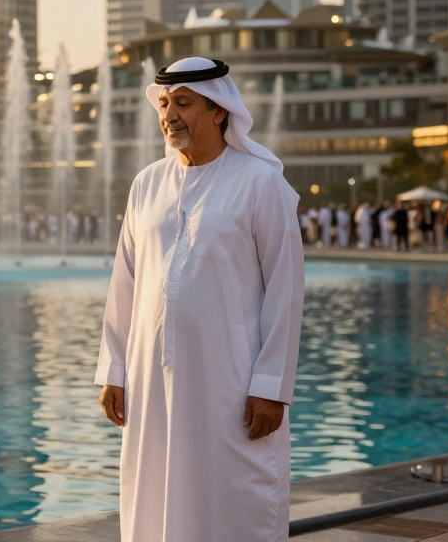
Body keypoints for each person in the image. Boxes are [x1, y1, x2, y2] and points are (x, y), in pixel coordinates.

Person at [95, 57, 304, 542]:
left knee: (234, 495)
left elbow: (286, 290)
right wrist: (114, 370)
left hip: (230, 378)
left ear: (219, 111)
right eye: (164, 104)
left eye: (183, 104)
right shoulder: (147, 183)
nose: (169, 115)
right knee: (153, 490)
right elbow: (123, 281)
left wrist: (271, 385)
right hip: (150, 380)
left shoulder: (260, 182)